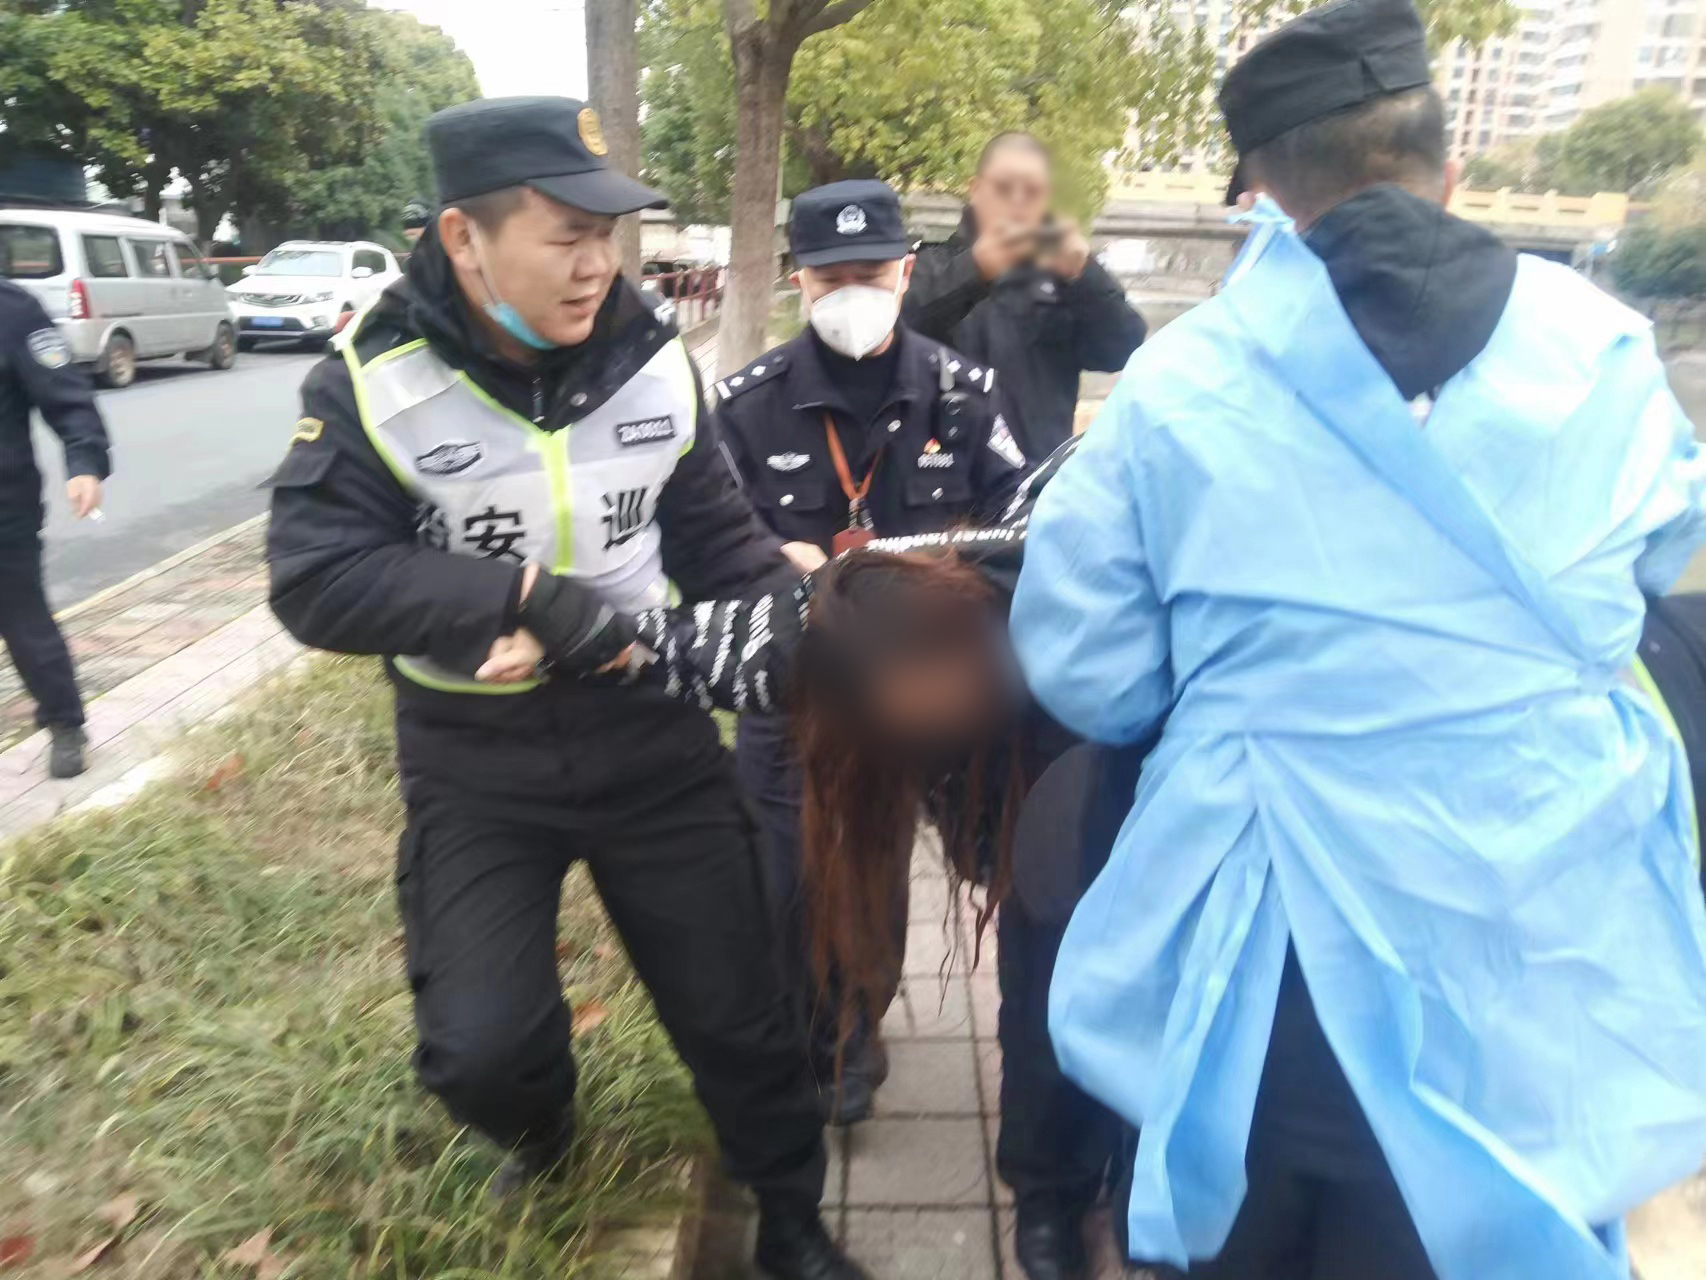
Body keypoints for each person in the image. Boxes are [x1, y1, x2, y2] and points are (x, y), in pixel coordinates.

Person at [1008, 0, 1706, 1277]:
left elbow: (1087, 671)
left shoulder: (1181, 379)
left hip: (1264, 973)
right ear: (1449, 167)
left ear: (1266, 195)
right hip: (1534, 948)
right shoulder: (1605, 350)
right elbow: (1652, 559)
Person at [264, 96, 861, 1280]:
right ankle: (539, 1135)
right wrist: (521, 596)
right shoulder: (371, 381)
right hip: (474, 761)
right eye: (565, 237)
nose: (598, 266)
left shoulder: (653, 362)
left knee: (742, 1008)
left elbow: (719, 541)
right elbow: (316, 578)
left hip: (654, 739)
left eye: (608, 236)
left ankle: (791, 1218)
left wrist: (795, 628)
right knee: (481, 1047)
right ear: (463, 236)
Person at [630, 445, 1132, 1280]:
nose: (931, 728)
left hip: (1162, 793)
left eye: (945, 698)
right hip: (1042, 839)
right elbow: (710, 648)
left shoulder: (1074, 579)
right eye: (909, 731)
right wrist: (586, 634)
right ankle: (1050, 1195)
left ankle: (1141, 1177)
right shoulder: (849, 642)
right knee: (1044, 1005)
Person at [712, 178, 1028, 1126]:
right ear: (799, 281)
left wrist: (951, 575)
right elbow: (711, 533)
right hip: (800, 683)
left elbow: (1018, 527)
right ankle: (820, 1036)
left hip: (924, 682)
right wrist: (775, 562)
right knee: (789, 872)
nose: (853, 292)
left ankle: (860, 1015)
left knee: (891, 860)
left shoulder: (961, 395)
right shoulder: (748, 405)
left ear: (906, 271)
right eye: (831, 276)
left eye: (872, 272)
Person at [902, 133, 1147, 459]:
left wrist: (1084, 274)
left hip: (1036, 477)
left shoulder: (1066, 280)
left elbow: (1119, 350)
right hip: (942, 473)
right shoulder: (930, 266)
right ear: (975, 189)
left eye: (1032, 191)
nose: (1017, 201)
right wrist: (975, 269)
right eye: (1004, 188)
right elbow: (894, 330)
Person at [0, 278, 109, 779]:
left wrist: (84, 461)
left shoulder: (13, 310)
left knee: (22, 617)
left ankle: (65, 723)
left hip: (4, 504)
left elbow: (66, 395)